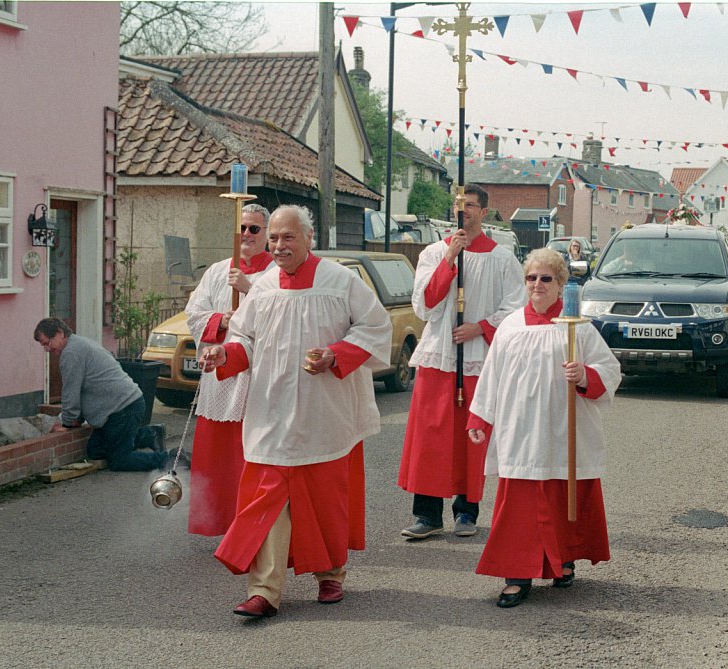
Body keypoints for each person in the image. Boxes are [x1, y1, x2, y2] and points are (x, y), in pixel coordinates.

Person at [200, 205, 392, 618]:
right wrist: (222, 354)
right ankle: (264, 590)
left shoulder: (340, 282)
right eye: (273, 238)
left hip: (323, 411)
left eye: (288, 237)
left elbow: (376, 327)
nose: (279, 246)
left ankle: (330, 574)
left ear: (308, 237)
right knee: (266, 498)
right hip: (270, 408)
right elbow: (246, 340)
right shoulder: (263, 287)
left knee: (324, 497)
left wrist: (335, 355)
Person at [466, 248, 621, 608]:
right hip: (519, 429)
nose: (537, 285)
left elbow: (609, 370)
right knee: (518, 505)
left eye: (546, 278)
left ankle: (561, 558)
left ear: (561, 285)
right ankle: (516, 574)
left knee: (560, 495)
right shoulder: (510, 326)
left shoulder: (577, 328)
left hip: (561, 427)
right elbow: (491, 376)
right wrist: (479, 418)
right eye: (531, 278)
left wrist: (585, 374)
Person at [398, 184, 526, 540]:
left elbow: (515, 307)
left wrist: (481, 327)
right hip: (439, 354)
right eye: (459, 204)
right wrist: (449, 259)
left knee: (471, 434)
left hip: (476, 357)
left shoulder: (501, 259)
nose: (464, 210)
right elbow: (425, 303)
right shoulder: (433, 253)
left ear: (484, 213)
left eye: (471, 205)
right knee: (431, 436)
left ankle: (466, 512)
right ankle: (427, 514)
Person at [183, 203, 274, 537]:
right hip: (219, 380)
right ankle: (219, 521)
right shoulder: (218, 270)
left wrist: (249, 288)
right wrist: (222, 319)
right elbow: (193, 313)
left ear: (266, 233)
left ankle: (253, 527)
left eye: (254, 229)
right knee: (219, 459)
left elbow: (280, 315)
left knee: (249, 455)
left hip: (254, 374)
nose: (246, 235)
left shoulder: (275, 272)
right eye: (242, 229)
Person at [33, 318, 168, 471]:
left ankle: (171, 459)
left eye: (47, 343)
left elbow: (70, 391)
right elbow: (83, 390)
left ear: (60, 333)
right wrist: (76, 418)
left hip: (122, 409)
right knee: (95, 450)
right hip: (123, 406)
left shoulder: (71, 353)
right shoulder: (78, 344)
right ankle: (150, 434)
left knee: (119, 460)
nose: (47, 349)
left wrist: (67, 423)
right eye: (43, 346)